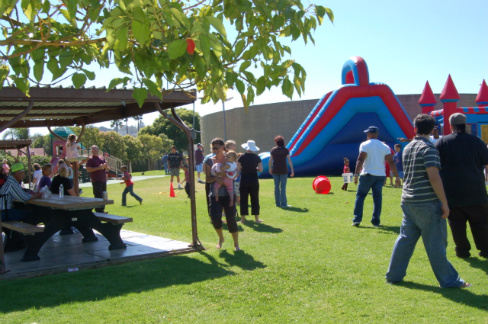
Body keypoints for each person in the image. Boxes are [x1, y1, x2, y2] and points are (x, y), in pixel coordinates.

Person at [386, 114, 470, 288]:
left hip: (408, 200)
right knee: (436, 244)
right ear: (433, 129)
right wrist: (444, 203)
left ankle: (394, 275)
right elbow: (434, 177)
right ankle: (449, 280)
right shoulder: (429, 148)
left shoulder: (408, 147)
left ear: (415, 128)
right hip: (427, 202)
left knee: (405, 240)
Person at [435, 113, 488, 259]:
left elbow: (435, 168)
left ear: (450, 125)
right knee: (481, 223)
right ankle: (485, 249)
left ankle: (462, 251)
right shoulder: (477, 142)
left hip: (452, 192)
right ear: (466, 124)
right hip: (476, 190)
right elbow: (486, 164)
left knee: (457, 225)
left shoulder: (442, 142)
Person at [352, 126, 401, 227]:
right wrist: (397, 176)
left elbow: (360, 159)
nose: (366, 135)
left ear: (372, 133)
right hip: (380, 175)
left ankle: (357, 219)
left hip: (367, 174)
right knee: (377, 199)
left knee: (360, 196)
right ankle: (376, 221)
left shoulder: (365, 144)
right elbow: (391, 162)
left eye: (367, 133)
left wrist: (356, 174)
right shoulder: (385, 146)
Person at [205, 138, 240, 251]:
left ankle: (236, 244)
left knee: (231, 219)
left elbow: (236, 172)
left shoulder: (230, 157)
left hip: (228, 193)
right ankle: (221, 238)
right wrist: (216, 178)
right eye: (213, 148)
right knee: (215, 217)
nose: (214, 150)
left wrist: (233, 174)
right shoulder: (209, 161)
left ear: (223, 147)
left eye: (217, 147)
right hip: (215, 194)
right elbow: (208, 179)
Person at [0, 163, 44, 251]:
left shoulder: (10, 180)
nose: (24, 174)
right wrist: (36, 196)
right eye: (22, 172)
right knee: (30, 213)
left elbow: (20, 194)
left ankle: (18, 239)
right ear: (17, 173)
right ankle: (27, 240)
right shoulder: (11, 182)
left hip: (3, 212)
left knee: (24, 212)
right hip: (3, 213)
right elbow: (23, 197)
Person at [238, 140, 263, 224]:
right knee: (255, 199)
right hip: (254, 181)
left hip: (244, 180)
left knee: (243, 199)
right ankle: (256, 219)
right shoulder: (257, 157)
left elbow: (238, 168)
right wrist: (254, 168)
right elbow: (260, 169)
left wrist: (243, 168)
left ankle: (243, 219)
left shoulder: (241, 157)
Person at [269, 135, 294, 207]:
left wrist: (270, 168)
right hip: (283, 170)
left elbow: (270, 160)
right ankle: (284, 203)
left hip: (275, 170)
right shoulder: (285, 150)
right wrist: (292, 170)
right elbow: (289, 160)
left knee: (276, 187)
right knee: (283, 187)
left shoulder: (273, 150)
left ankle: (277, 203)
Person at [85, 145, 109, 213]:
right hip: (96, 180)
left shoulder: (102, 158)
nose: (94, 151)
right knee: (98, 195)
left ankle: (102, 209)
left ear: (98, 150)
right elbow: (88, 169)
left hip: (103, 179)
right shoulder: (90, 159)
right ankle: (98, 210)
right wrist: (98, 168)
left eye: (95, 150)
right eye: (92, 150)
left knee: (104, 195)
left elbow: (108, 168)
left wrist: (106, 166)